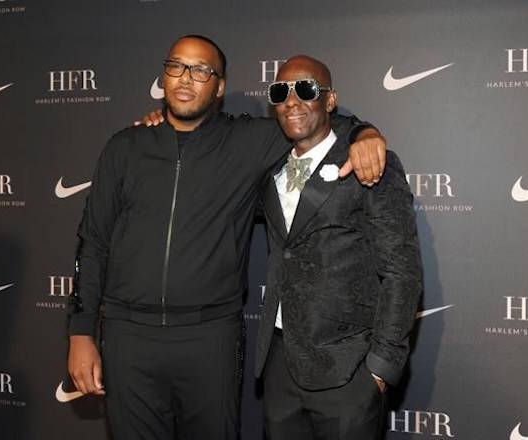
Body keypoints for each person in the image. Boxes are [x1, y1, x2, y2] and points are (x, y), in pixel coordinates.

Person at [66, 35, 387, 440]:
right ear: (163, 77)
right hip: (129, 339)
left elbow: (318, 120)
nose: (187, 78)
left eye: (202, 70)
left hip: (211, 339)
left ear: (218, 87)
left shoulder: (250, 140)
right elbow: (92, 243)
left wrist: (365, 134)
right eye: (177, 66)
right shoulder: (124, 147)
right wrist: (80, 332)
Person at [254, 55, 422, 440]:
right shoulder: (268, 169)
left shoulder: (367, 161)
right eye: (281, 92)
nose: (292, 101)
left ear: (330, 100)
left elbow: (402, 270)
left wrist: (380, 367)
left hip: (349, 369)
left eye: (306, 89)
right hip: (279, 365)